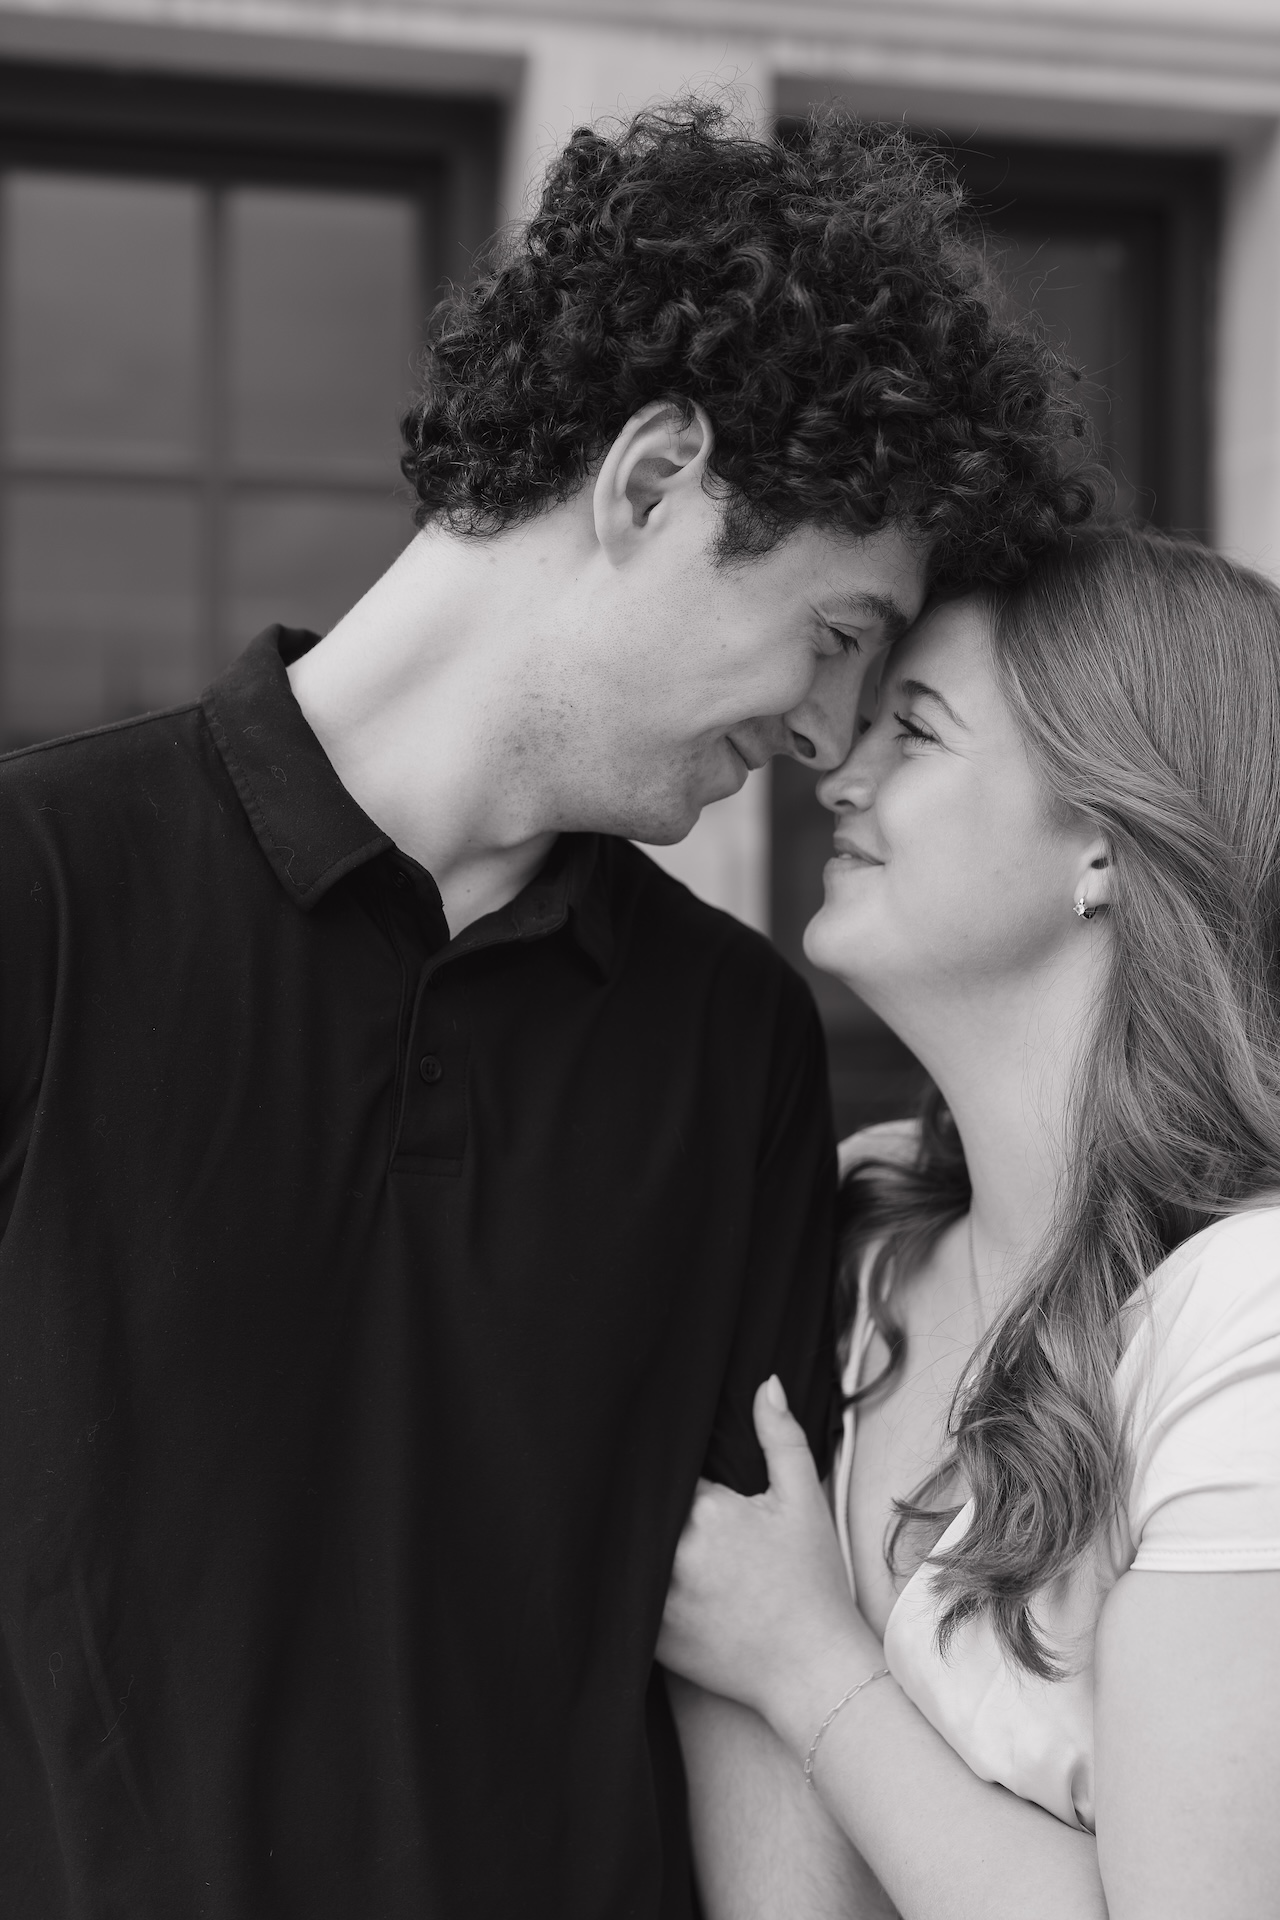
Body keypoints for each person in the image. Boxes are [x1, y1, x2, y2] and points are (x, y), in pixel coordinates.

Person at [0, 103, 1089, 1918]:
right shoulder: (39, 893)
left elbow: (731, 1652)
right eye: (834, 633)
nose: (825, 738)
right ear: (652, 480)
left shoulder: (735, 1041)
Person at [660, 522, 1280, 1919]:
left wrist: (803, 1661)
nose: (842, 771)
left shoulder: (1251, 1319)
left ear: (1107, 847)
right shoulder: (856, 1230)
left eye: (917, 731)